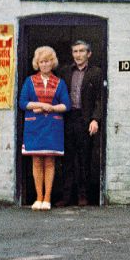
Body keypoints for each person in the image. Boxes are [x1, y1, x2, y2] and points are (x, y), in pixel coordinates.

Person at [19, 45, 68, 210]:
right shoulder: (29, 81)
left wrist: (51, 108)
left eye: (48, 61)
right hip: (35, 126)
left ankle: (47, 198)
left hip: (52, 126)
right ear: (37, 63)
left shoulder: (59, 83)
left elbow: (66, 105)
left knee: (49, 162)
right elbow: (23, 103)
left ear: (52, 63)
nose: (45, 65)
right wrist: (41, 104)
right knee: (36, 161)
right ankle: (38, 197)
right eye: (42, 62)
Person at [62, 40, 103, 206]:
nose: (78, 55)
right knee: (67, 159)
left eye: (81, 51)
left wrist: (95, 119)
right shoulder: (65, 71)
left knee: (84, 159)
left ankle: (83, 196)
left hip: (85, 119)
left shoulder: (96, 72)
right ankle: (65, 197)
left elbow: (100, 98)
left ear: (89, 54)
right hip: (68, 118)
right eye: (75, 51)